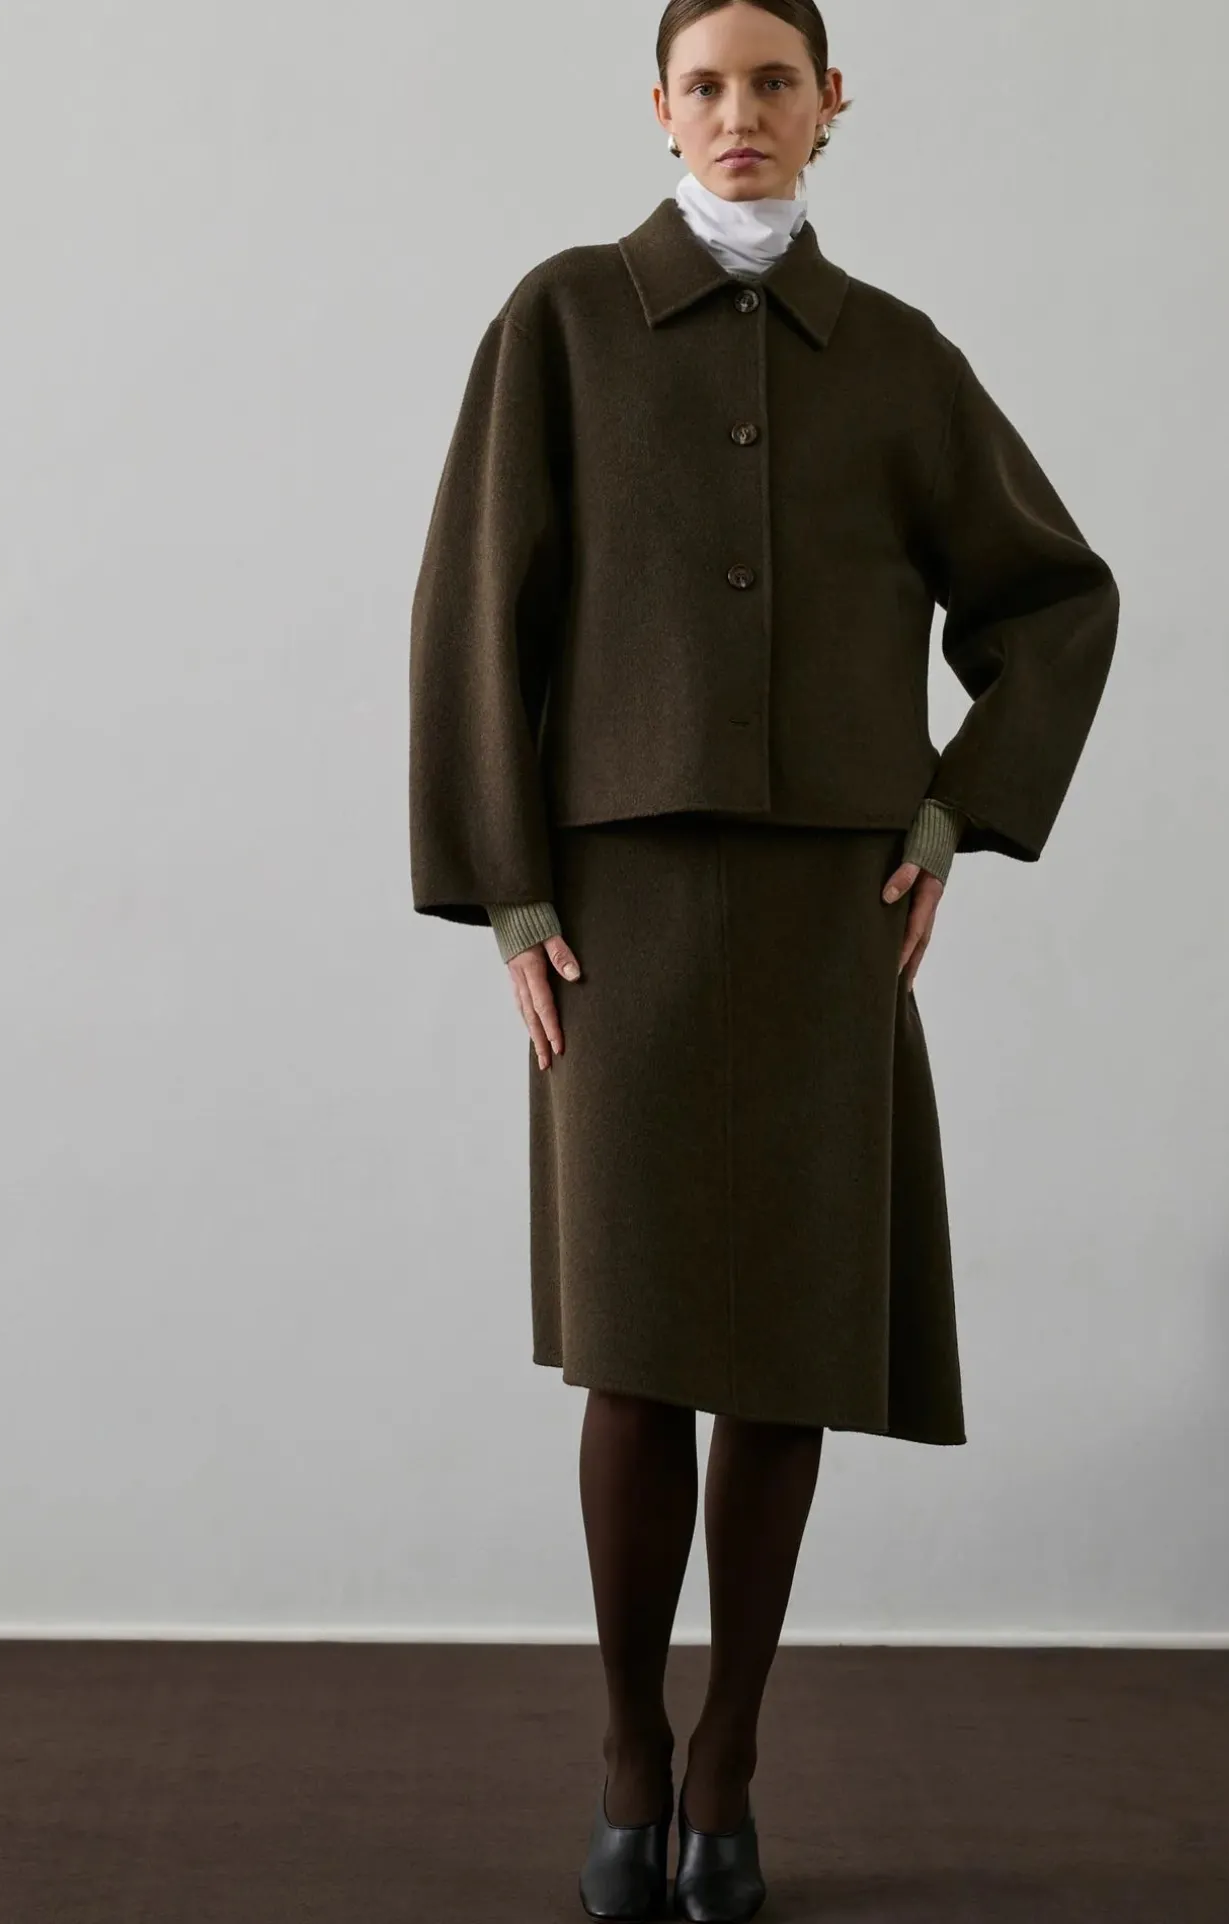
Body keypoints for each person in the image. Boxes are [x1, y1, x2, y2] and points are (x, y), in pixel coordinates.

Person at [407, 3, 1120, 1916]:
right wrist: (507, 892)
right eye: (708, 86)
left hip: (826, 916)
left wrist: (952, 814)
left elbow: (1055, 602)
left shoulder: (895, 357)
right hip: (616, 911)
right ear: (659, 109)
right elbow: (477, 606)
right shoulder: (562, 321)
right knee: (637, 1353)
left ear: (830, 106)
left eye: (775, 83)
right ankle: (627, 1746)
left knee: (788, 1351)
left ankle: (729, 1754)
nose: (742, 114)